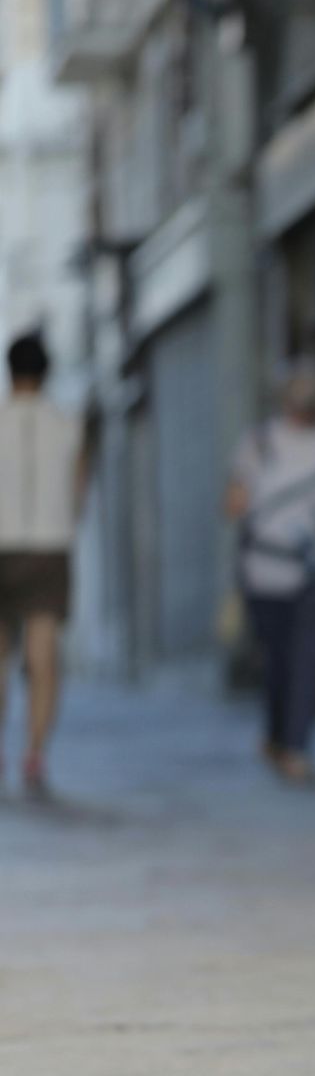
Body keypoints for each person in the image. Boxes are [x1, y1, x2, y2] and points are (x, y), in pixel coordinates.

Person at [226, 356, 315, 785]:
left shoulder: (258, 441)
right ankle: (291, 746)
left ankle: (283, 741)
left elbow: (235, 506)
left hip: (265, 570)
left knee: (278, 659)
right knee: (306, 660)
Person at [0, 333, 88, 800]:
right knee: (42, 655)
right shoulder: (68, 425)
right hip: (49, 547)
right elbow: (79, 494)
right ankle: (34, 755)